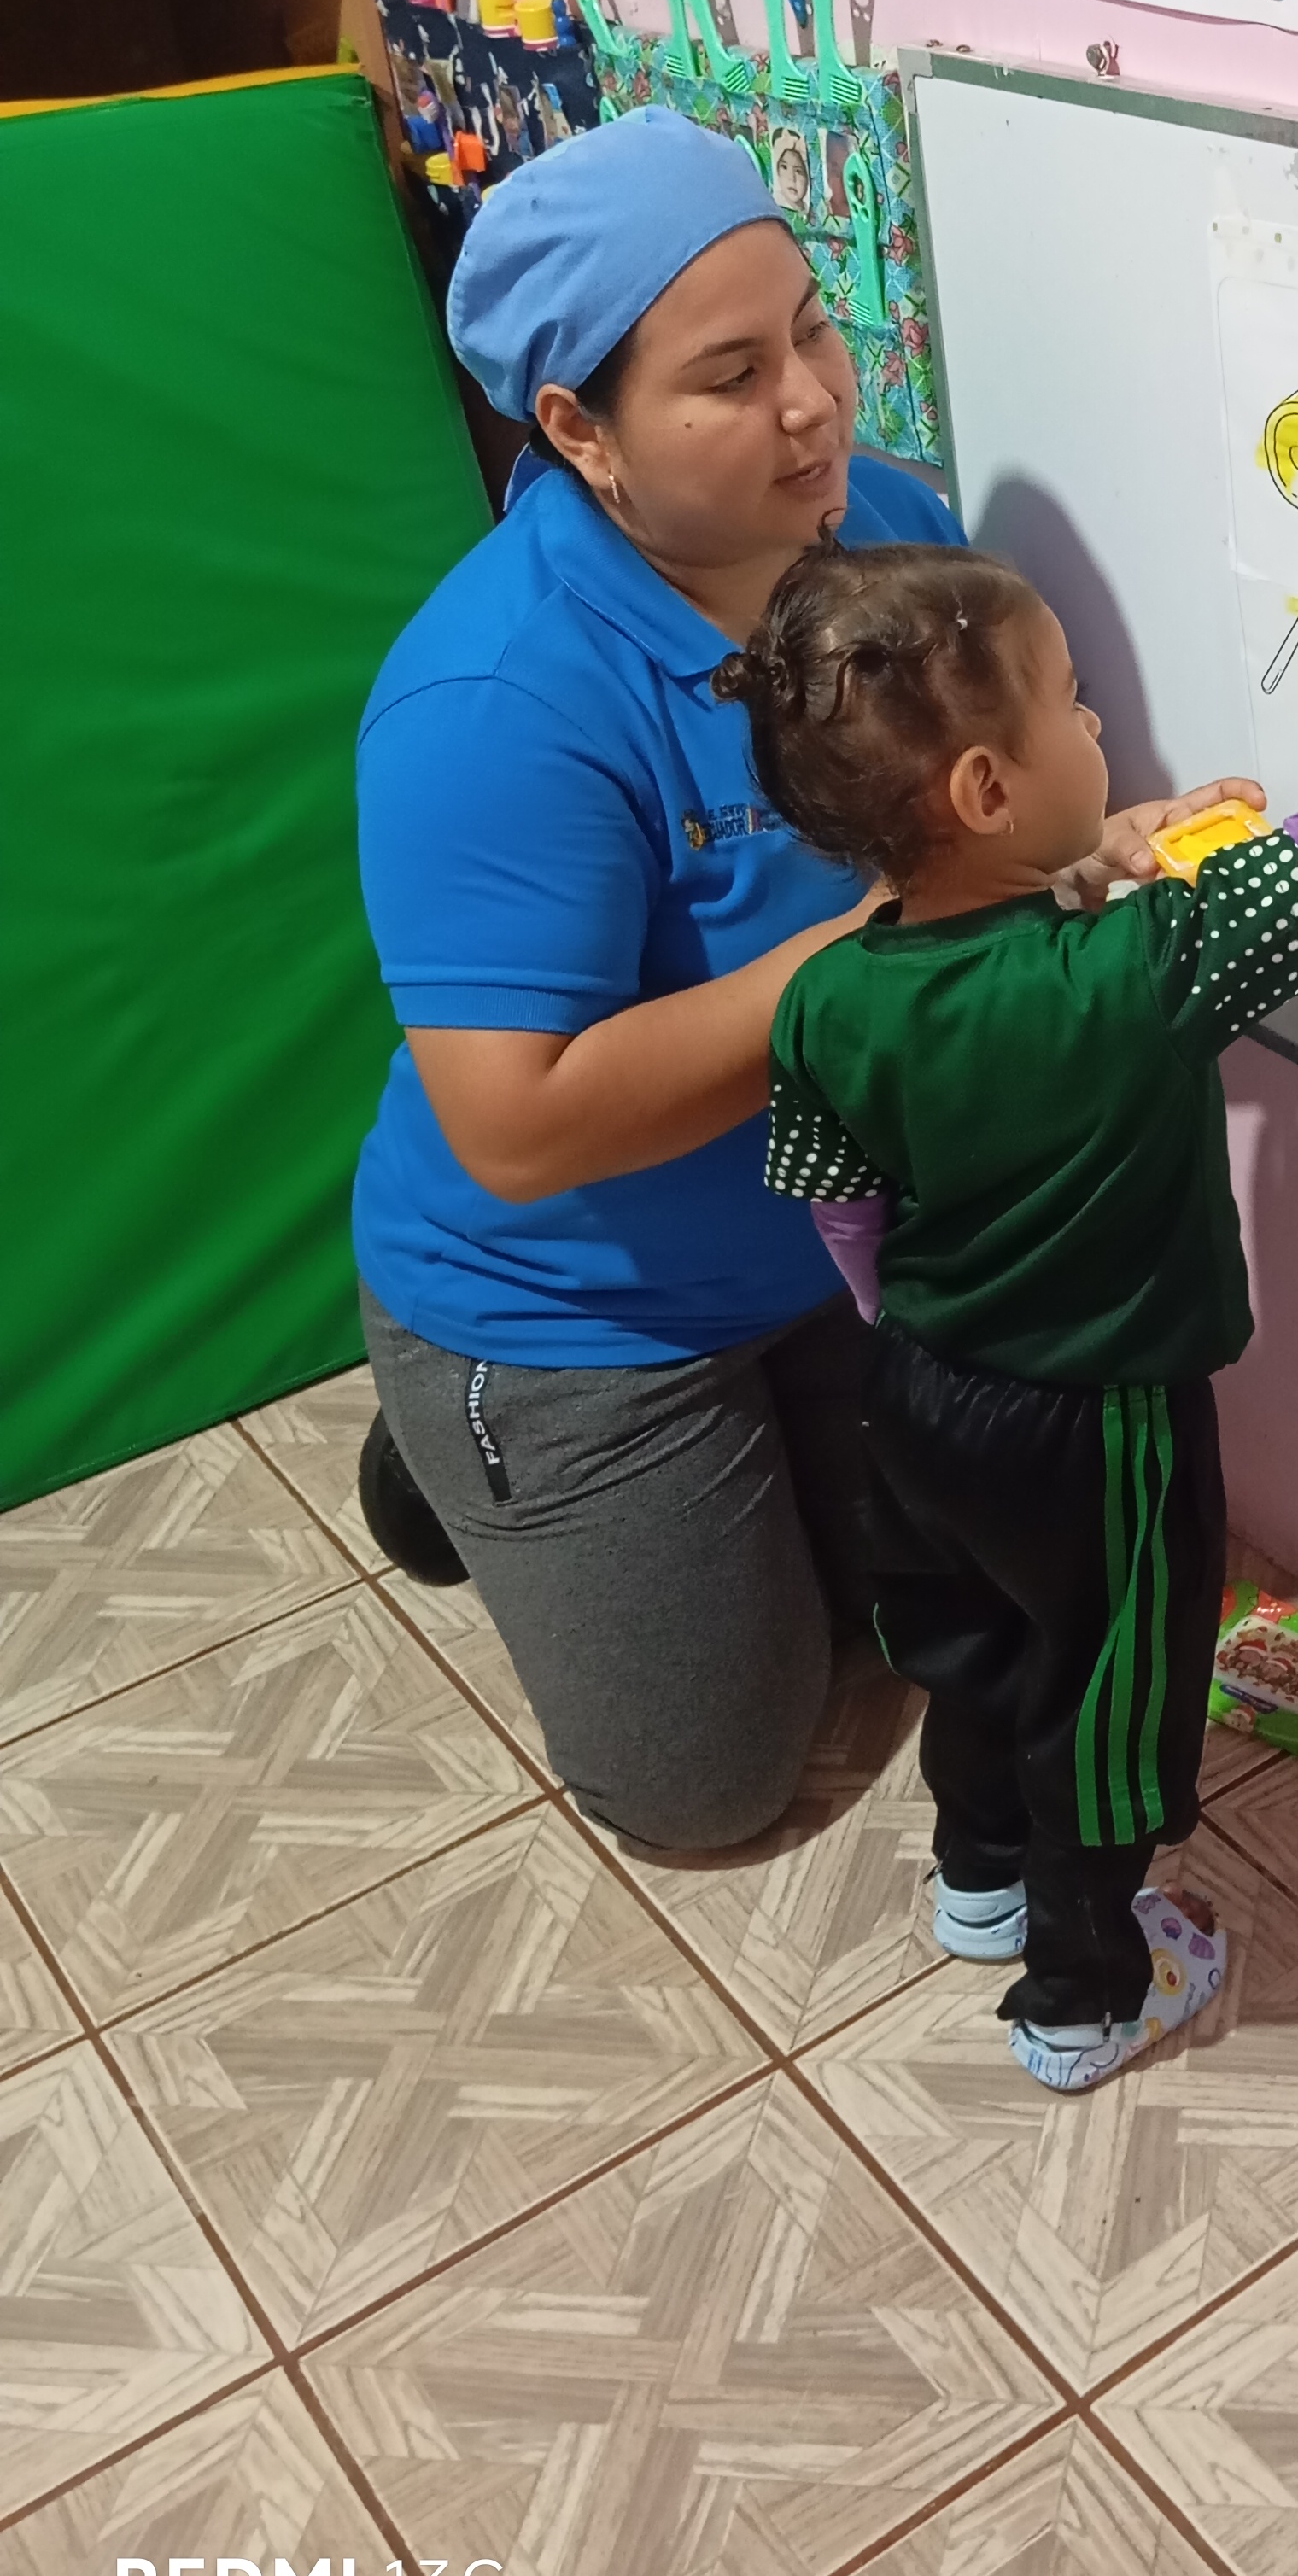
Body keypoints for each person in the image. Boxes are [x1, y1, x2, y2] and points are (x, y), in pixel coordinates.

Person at [348, 108, 1243, 1852]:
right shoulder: (496, 701)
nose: (815, 404)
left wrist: (1086, 852)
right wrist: (879, 952)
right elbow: (519, 1128)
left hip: (839, 1250)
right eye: (731, 376)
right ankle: (448, 1450)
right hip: (579, 1303)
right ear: (578, 432)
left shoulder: (889, 534)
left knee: (924, 1612)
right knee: (708, 1787)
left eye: (814, 330)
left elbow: (986, 828)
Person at [727, 468, 1298, 2086]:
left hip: (921, 1393)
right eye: (1075, 706)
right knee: (1106, 1693)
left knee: (973, 1646)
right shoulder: (1134, 975)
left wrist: (907, 1327)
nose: (1101, 732)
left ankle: (977, 1882)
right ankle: (1086, 1993)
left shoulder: (823, 999)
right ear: (984, 787)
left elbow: (844, 1214)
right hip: (1100, 1422)